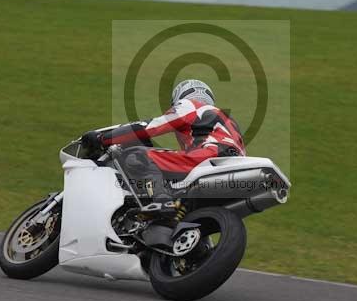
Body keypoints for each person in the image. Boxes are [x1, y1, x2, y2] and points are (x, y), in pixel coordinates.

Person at [81, 79, 245, 211]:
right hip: (235, 167)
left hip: (209, 156)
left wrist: (103, 138)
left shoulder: (191, 105)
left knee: (138, 156)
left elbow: (151, 127)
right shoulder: (228, 120)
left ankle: (161, 202)